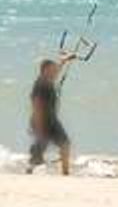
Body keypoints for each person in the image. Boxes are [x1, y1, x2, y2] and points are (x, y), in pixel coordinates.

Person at [26, 44, 88, 175]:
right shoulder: (41, 85)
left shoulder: (48, 80)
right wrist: (40, 126)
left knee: (65, 144)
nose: (55, 72)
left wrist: (65, 60)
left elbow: (58, 69)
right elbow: (36, 106)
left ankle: (65, 173)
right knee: (40, 151)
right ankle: (29, 171)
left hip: (51, 120)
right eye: (52, 70)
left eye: (54, 70)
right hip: (43, 121)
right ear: (45, 71)